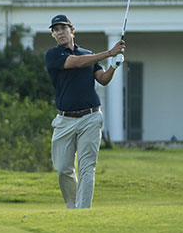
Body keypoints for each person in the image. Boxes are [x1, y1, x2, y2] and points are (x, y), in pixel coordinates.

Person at [44, 14, 126, 209]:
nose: (59, 32)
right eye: (55, 30)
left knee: (87, 168)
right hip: (64, 120)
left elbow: (103, 79)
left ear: (72, 30)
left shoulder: (88, 53)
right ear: (53, 35)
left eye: (63, 28)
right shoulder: (53, 55)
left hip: (90, 117)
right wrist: (108, 53)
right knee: (63, 169)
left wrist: (113, 65)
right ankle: (73, 208)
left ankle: (83, 212)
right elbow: (76, 63)